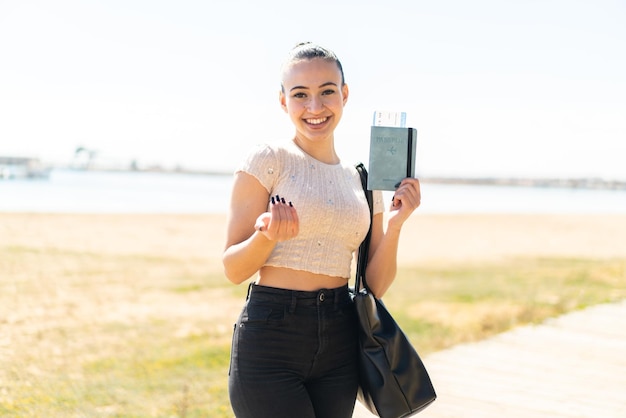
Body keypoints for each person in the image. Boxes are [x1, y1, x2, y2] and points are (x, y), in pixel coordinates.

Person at [222, 42, 421, 418]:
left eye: (327, 91)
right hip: (271, 338)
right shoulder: (267, 160)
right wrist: (266, 237)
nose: (315, 107)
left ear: (344, 95)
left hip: (340, 340)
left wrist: (395, 227)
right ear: (284, 102)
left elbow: (374, 286)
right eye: (301, 95)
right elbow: (233, 269)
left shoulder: (362, 180)